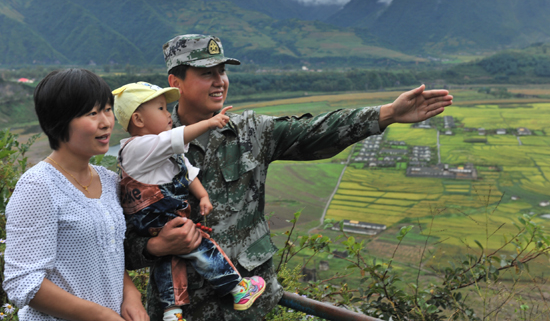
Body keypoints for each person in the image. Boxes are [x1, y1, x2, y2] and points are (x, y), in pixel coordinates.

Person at [124, 34, 454, 321]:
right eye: (207, 73)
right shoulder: (143, 151)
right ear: (175, 81)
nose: (220, 81)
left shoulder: (251, 131)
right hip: (182, 309)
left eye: (222, 72)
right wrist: (155, 246)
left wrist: (387, 114)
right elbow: (118, 242)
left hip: (251, 308)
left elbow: (314, 132)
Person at [112, 81, 266, 321]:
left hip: (160, 215)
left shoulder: (161, 152)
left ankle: (172, 311)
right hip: (155, 212)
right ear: (139, 120)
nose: (168, 114)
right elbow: (178, 136)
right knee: (201, 245)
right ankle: (237, 288)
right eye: (161, 109)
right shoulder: (137, 148)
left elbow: (186, 172)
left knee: (170, 256)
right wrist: (209, 123)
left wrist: (203, 195)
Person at [3, 69, 149, 321]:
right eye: (92, 113)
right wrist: (100, 315)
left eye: (106, 109)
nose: (105, 121)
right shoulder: (38, 186)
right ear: (58, 121)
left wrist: (131, 295)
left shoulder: (109, 179)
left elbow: (108, 255)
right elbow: (22, 282)